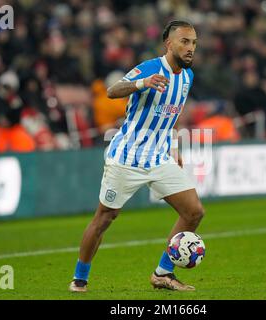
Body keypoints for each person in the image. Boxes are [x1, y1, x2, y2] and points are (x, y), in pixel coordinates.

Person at [69, 20, 204, 292]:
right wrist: (142, 82)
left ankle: (163, 273)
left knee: (194, 212)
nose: (190, 48)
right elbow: (112, 91)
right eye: (185, 42)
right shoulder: (151, 67)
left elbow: (171, 115)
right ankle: (79, 279)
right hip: (127, 157)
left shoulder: (187, 76)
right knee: (105, 218)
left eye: (193, 43)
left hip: (158, 157)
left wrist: (174, 147)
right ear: (169, 43)